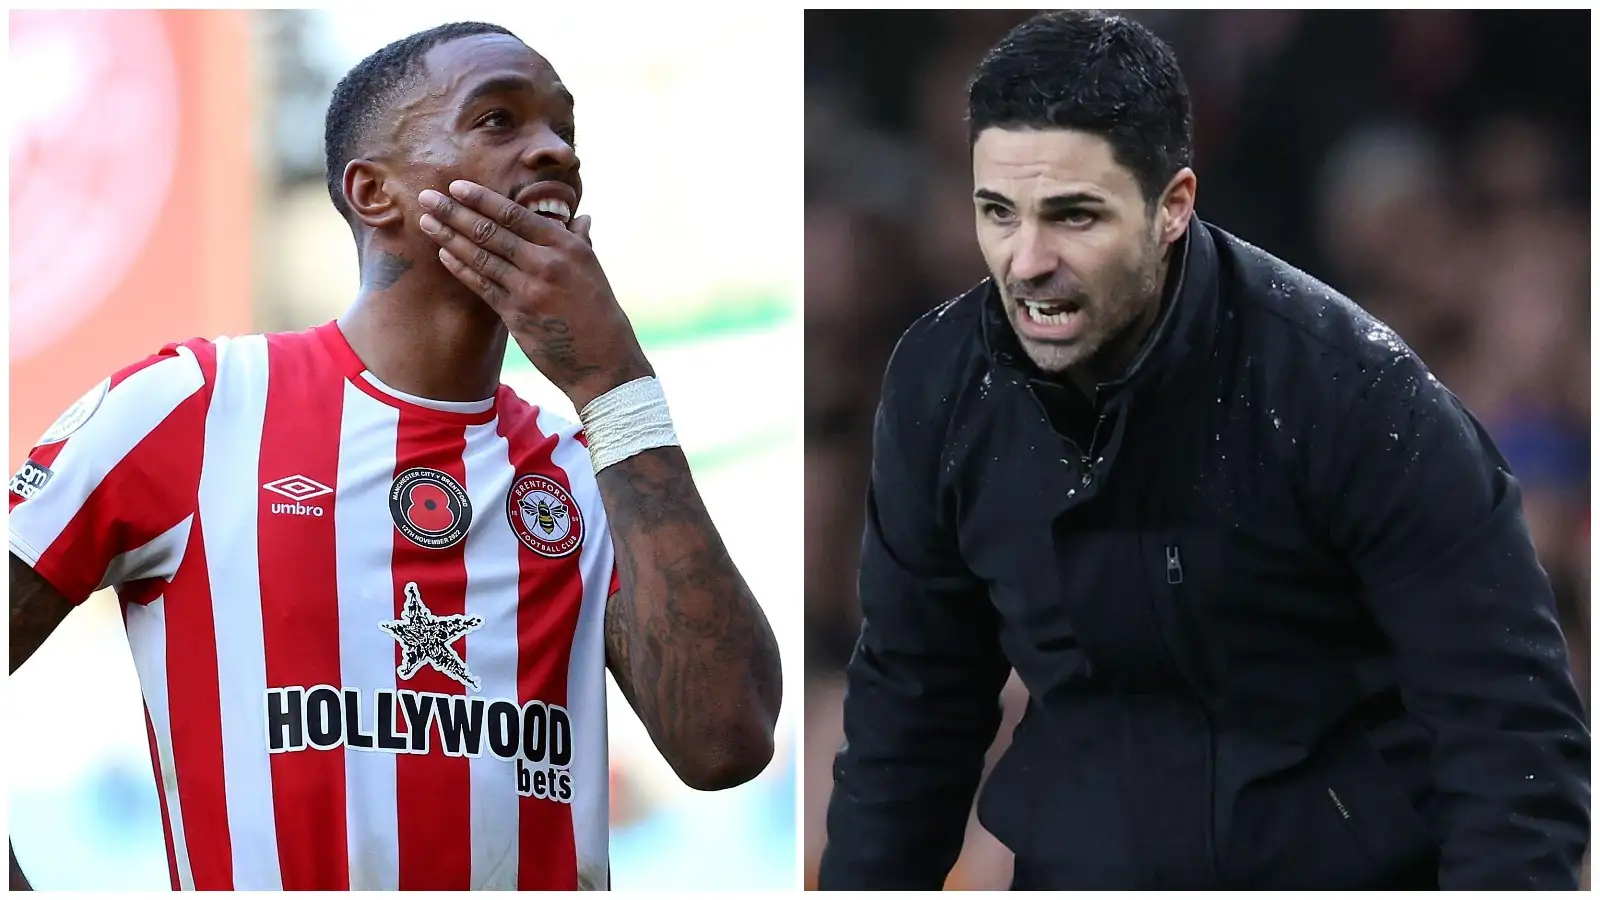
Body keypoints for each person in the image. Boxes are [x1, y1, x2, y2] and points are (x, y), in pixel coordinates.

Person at [818, 10, 1588, 891]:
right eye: (999, 212)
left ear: (1173, 205)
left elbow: (1511, 736)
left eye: (1073, 216)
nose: (1026, 261)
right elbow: (908, 725)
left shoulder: (1352, 393)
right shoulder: (939, 386)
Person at [8, 22, 782, 891]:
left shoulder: (591, 464)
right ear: (374, 193)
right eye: (499, 121)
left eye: (565, 130)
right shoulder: (192, 407)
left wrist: (617, 386)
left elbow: (727, 745)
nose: (554, 153)